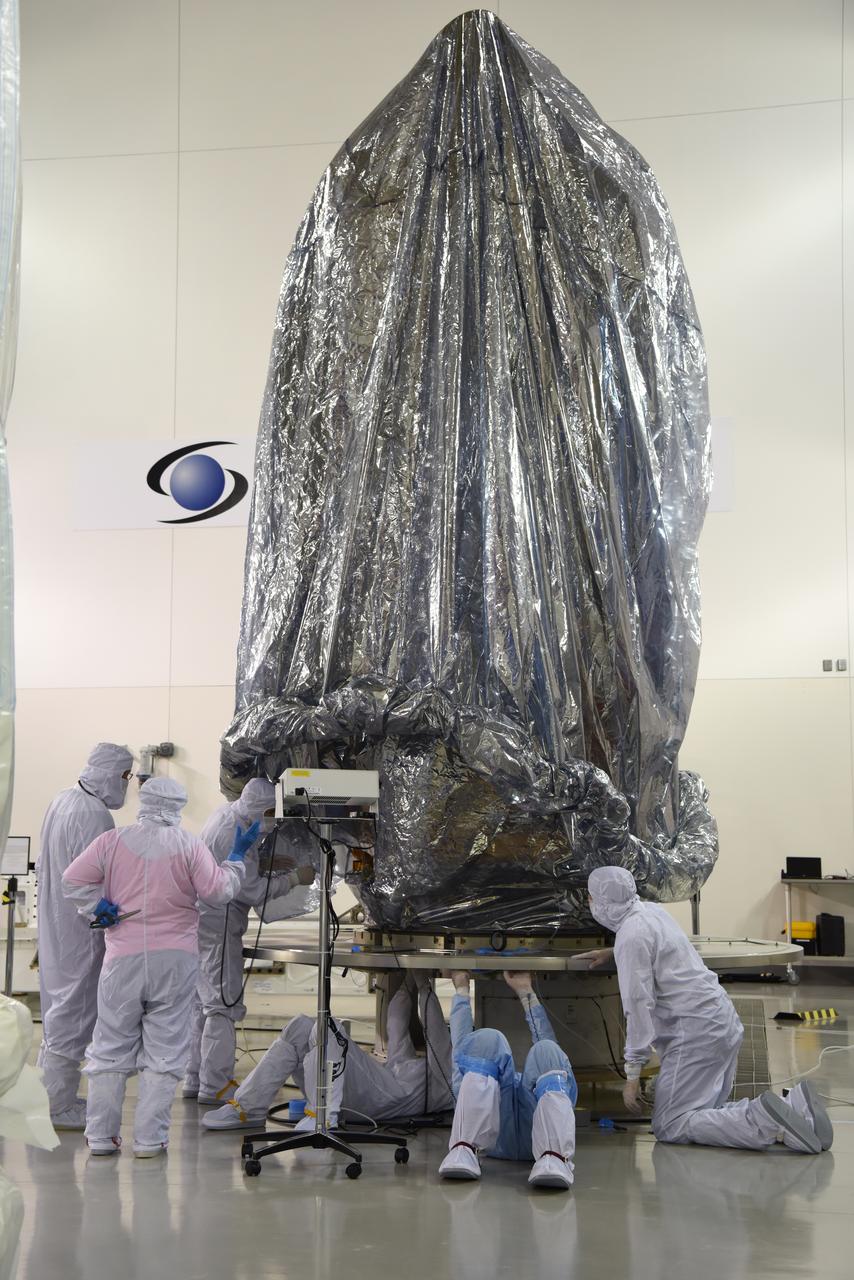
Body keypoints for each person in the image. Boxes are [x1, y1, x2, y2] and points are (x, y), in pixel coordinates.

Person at [61, 776, 253, 1158]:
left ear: (143, 801)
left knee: (110, 1049)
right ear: (178, 806)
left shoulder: (112, 841)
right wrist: (235, 859)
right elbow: (217, 893)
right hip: (175, 960)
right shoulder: (189, 845)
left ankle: (101, 1137)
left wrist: (99, 907)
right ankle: (150, 1140)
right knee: (164, 1051)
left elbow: (72, 880)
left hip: (123, 960)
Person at [584, 866, 833, 1154]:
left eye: (590, 897)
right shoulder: (650, 911)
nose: (589, 903)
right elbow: (658, 950)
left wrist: (632, 1074)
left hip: (693, 1036)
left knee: (670, 1124)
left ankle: (766, 1121)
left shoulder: (631, 936)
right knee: (704, 1111)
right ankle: (795, 1109)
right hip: (720, 1020)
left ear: (603, 901)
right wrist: (615, 953)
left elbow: (638, 1006)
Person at [184, 778, 316, 1105]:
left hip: (205, 920)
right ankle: (216, 1086)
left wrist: (264, 862)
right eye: (272, 812)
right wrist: (295, 878)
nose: (274, 820)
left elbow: (238, 862)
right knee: (223, 1004)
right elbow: (252, 889)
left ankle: (196, 1078)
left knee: (204, 1003)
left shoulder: (231, 815)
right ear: (260, 808)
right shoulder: (233, 828)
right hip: (219, 921)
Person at [202, 971, 454, 1131]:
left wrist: (425, 984)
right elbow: (397, 1023)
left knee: (329, 1029)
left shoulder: (447, 1079)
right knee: (300, 1026)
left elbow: (436, 1033)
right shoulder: (413, 1067)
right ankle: (248, 1107)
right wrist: (413, 972)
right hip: (372, 1091)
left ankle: (323, 1116)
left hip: (380, 1101)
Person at [36, 742, 134, 1129]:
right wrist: (105, 912)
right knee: (74, 1013)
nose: (126, 785)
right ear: (112, 773)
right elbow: (95, 877)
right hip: (79, 927)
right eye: (125, 777)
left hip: (56, 921)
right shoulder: (94, 813)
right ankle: (56, 1107)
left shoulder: (63, 799)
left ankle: (50, 1096)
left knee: (59, 1007)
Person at [438, 970, 577, 1190]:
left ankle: (555, 1157)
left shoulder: (487, 1081)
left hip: (526, 1133)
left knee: (546, 1050)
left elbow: (461, 1054)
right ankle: (463, 1149)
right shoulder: (488, 1084)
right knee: (491, 1039)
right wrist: (525, 992)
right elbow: (464, 1056)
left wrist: (462, 988)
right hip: (494, 1136)